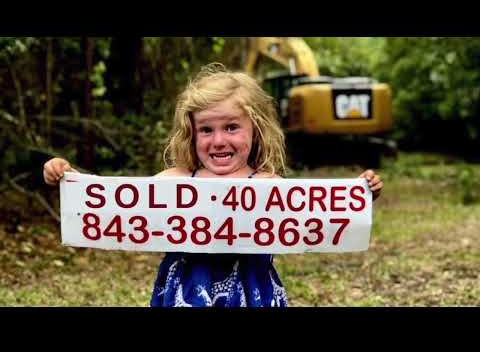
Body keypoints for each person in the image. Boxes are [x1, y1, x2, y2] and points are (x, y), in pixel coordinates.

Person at [43, 63, 383, 307]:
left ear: (256, 129)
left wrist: (358, 194)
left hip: (252, 292)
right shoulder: (175, 180)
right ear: (192, 135)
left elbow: (313, 216)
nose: (218, 140)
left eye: (231, 127)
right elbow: (119, 201)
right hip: (183, 292)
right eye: (206, 130)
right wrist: (70, 178)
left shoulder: (267, 184)